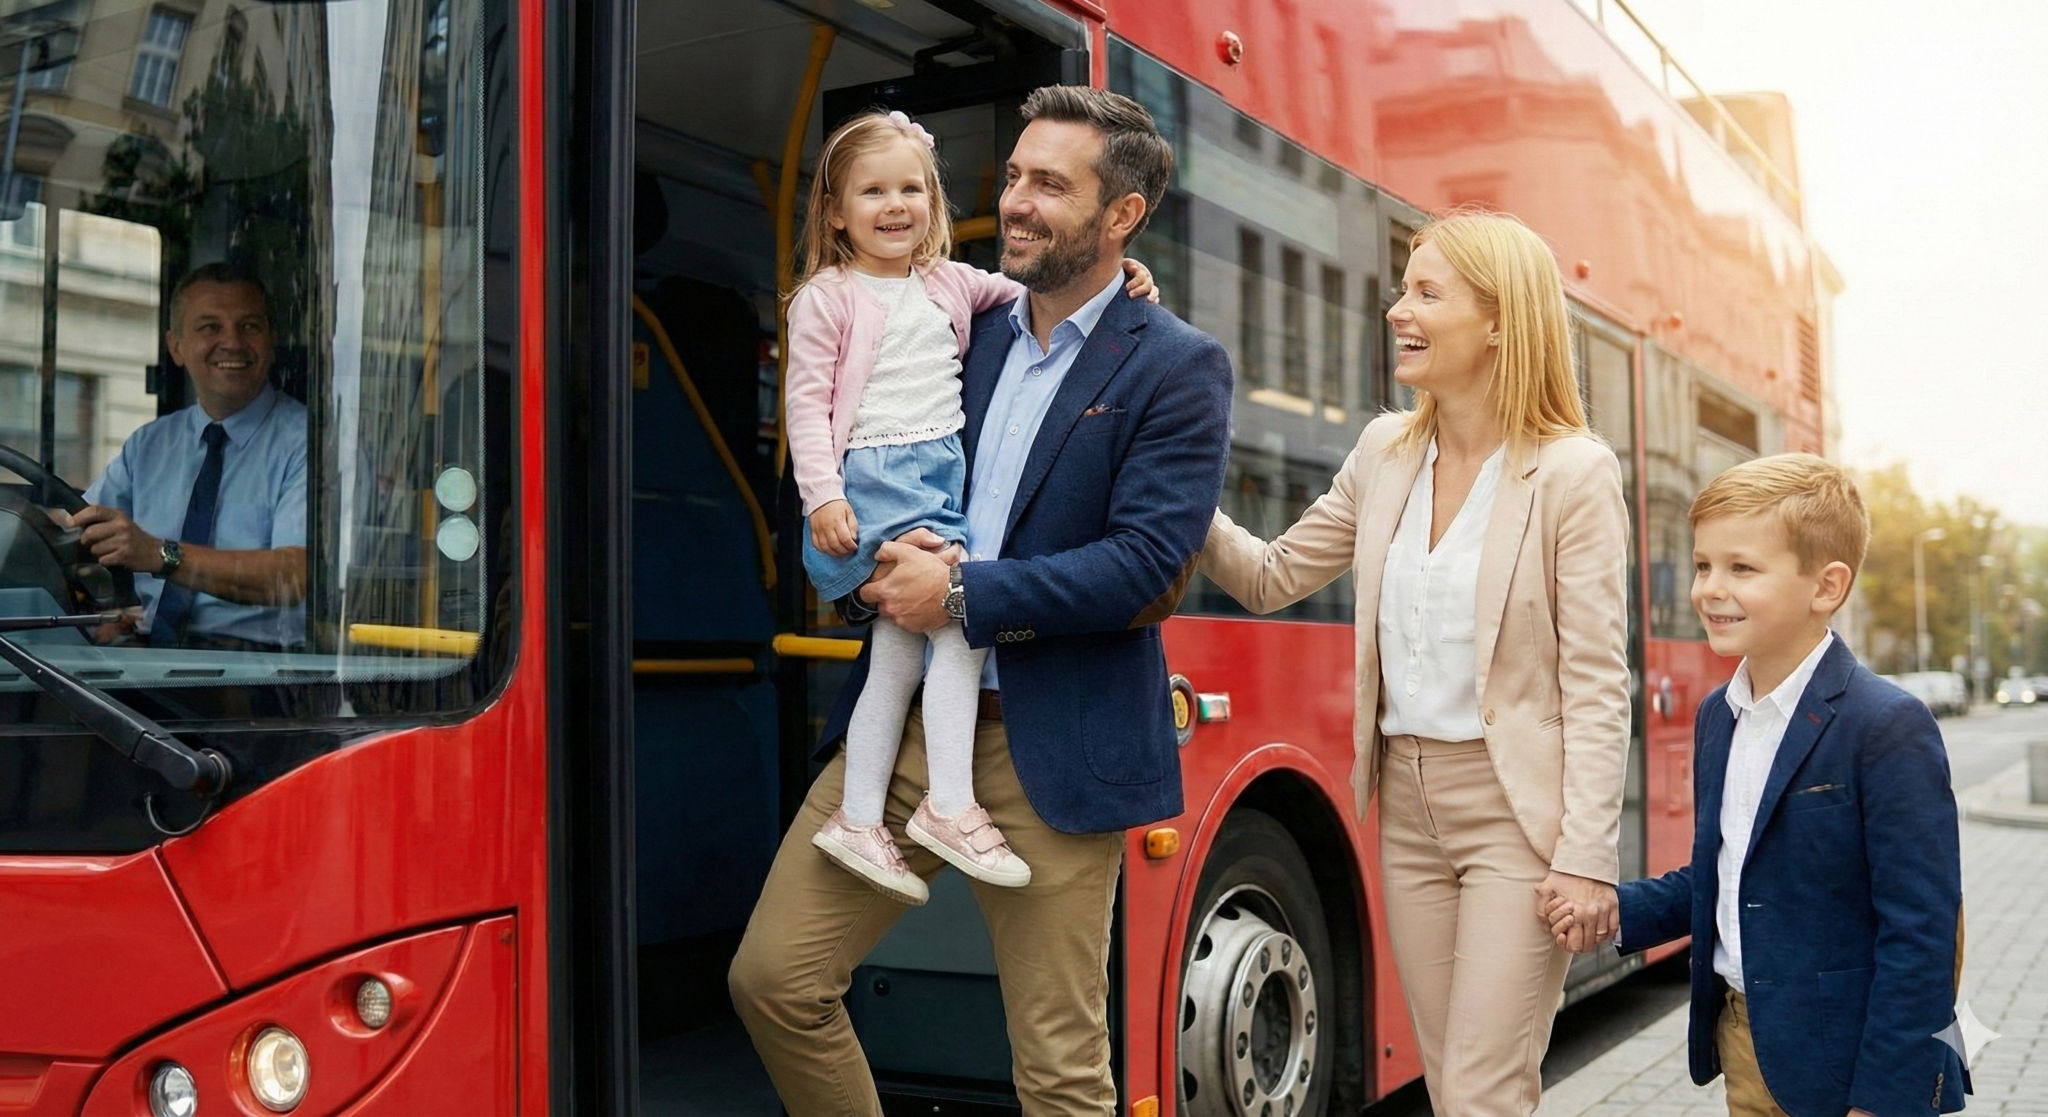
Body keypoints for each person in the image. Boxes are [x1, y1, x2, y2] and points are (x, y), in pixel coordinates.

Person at [729, 86, 1232, 1116]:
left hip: (1054, 751)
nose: (1014, 202)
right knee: (774, 980)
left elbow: (1147, 566)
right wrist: (867, 567)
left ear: (1121, 215)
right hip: (907, 730)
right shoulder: (968, 323)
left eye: (1049, 185)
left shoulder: (1176, 365)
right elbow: (857, 441)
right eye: (1011, 176)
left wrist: (958, 592)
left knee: (1058, 1069)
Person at [1199, 209, 1631, 1116]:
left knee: (1482, 1089)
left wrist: (1588, 856)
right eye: (1404, 289)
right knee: (1449, 1082)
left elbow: (1596, 682)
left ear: (1500, 322)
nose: (1398, 310)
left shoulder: (1572, 473)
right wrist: (1169, 486)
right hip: (1406, 806)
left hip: (1514, 813)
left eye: (1427, 293)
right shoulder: (1385, 453)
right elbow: (1272, 576)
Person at [783, 108, 1156, 904]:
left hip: (932, 486)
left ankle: (863, 817)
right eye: (873, 191)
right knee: (959, 624)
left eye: (911, 188)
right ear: (835, 212)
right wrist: (823, 495)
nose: (896, 205)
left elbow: (1038, 291)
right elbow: (805, 406)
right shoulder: (826, 297)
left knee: (906, 652)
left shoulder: (951, 283)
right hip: (878, 486)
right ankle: (946, 803)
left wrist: (1124, 276)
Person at [1546, 455, 1967, 1117]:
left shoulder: (1886, 724)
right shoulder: (1718, 716)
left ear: (1826, 586)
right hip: (1747, 1047)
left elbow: (1922, 934)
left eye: (1741, 568)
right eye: (1702, 565)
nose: (1710, 589)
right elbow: (1728, 875)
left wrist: (1882, 1100)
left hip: (1852, 1065)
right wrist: (1618, 910)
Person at [74, 262, 308, 652]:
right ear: (176, 347)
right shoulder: (148, 445)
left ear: (271, 341)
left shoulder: (309, 445)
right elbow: (79, 531)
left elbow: (296, 575)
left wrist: (160, 555)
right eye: (210, 327)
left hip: (266, 669)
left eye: (250, 326)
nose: (232, 342)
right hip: (149, 653)